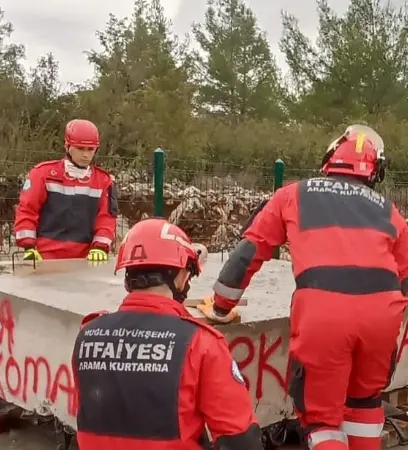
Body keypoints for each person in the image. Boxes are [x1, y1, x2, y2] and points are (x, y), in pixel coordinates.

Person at [200, 124, 408, 450]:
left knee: (322, 419)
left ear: (330, 159)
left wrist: (221, 306)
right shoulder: (389, 211)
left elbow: (249, 252)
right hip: (383, 317)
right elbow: (403, 280)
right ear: (375, 170)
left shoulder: (292, 195)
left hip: (324, 315)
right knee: (365, 403)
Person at [72, 218, 264, 450]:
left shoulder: (88, 334)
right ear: (182, 276)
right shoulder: (200, 344)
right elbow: (240, 438)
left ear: (127, 276)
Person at [13, 119, 117, 261]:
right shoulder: (42, 174)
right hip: (44, 256)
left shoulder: (103, 181)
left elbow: (106, 218)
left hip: (86, 260)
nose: (86, 155)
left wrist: (100, 247)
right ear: (67, 146)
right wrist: (28, 246)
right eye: (80, 148)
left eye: (90, 149)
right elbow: (27, 210)